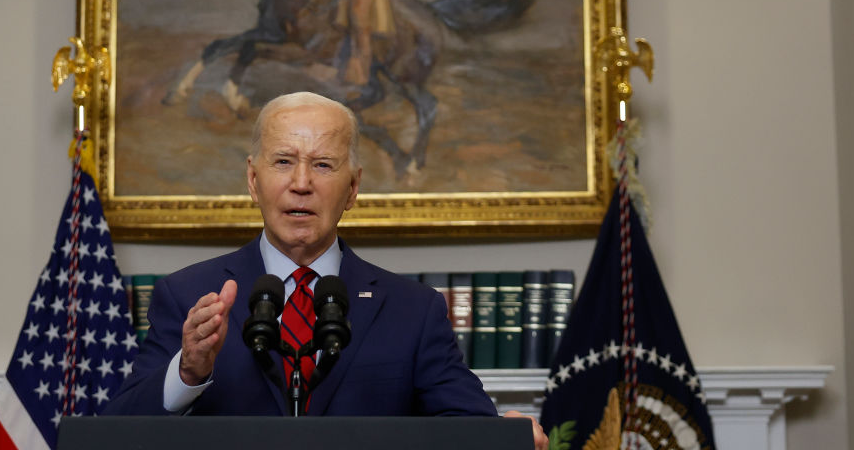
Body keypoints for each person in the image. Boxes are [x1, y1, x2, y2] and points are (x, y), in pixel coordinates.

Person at [103, 92, 547, 449]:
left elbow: (466, 424)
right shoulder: (187, 295)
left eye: (322, 164)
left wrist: (504, 435)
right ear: (254, 182)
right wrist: (188, 373)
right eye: (282, 161)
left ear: (352, 188)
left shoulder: (413, 311)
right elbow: (115, 433)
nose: (301, 182)